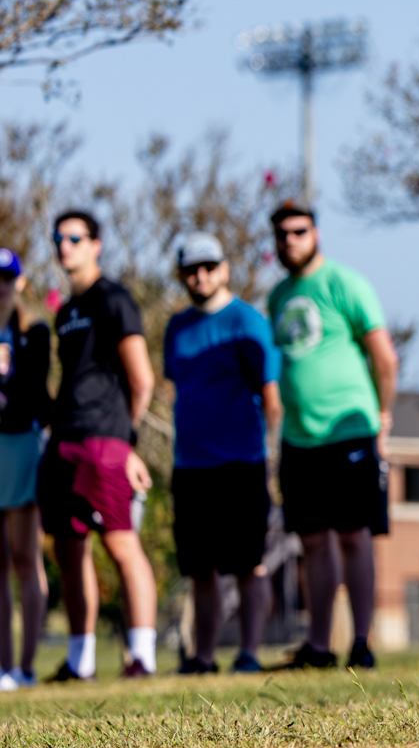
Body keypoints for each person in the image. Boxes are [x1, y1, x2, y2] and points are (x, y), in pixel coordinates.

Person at [267, 202, 400, 671]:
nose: (290, 241)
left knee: (354, 536)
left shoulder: (345, 283)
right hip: (300, 441)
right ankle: (319, 647)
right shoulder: (278, 295)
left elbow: (384, 358)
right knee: (314, 542)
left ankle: (361, 642)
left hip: (350, 434)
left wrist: (383, 416)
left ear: (316, 233)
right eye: (282, 234)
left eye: (299, 231)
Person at [38, 210, 158, 681]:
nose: (64, 246)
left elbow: (142, 380)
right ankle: (79, 661)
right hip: (64, 442)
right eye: (58, 238)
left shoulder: (114, 299)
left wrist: (126, 443)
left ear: (95, 244)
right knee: (69, 551)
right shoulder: (65, 312)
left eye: (73, 237)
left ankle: (142, 657)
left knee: (121, 544)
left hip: (105, 442)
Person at [163, 234, 281, 675]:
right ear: (182, 276)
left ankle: (249, 653)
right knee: (201, 569)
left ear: (225, 269)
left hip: (241, 463)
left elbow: (271, 395)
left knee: (250, 564)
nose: (201, 276)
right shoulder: (177, 328)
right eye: (192, 269)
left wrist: (272, 458)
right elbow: (178, 385)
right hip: (190, 466)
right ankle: (204, 657)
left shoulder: (248, 322)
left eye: (209, 266)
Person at [0, 247, 49, 690]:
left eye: (6, 278)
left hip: (21, 447)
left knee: (24, 556)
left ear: (19, 282)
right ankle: (3, 666)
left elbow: (33, 394)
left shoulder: (34, 332)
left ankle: (27, 667)